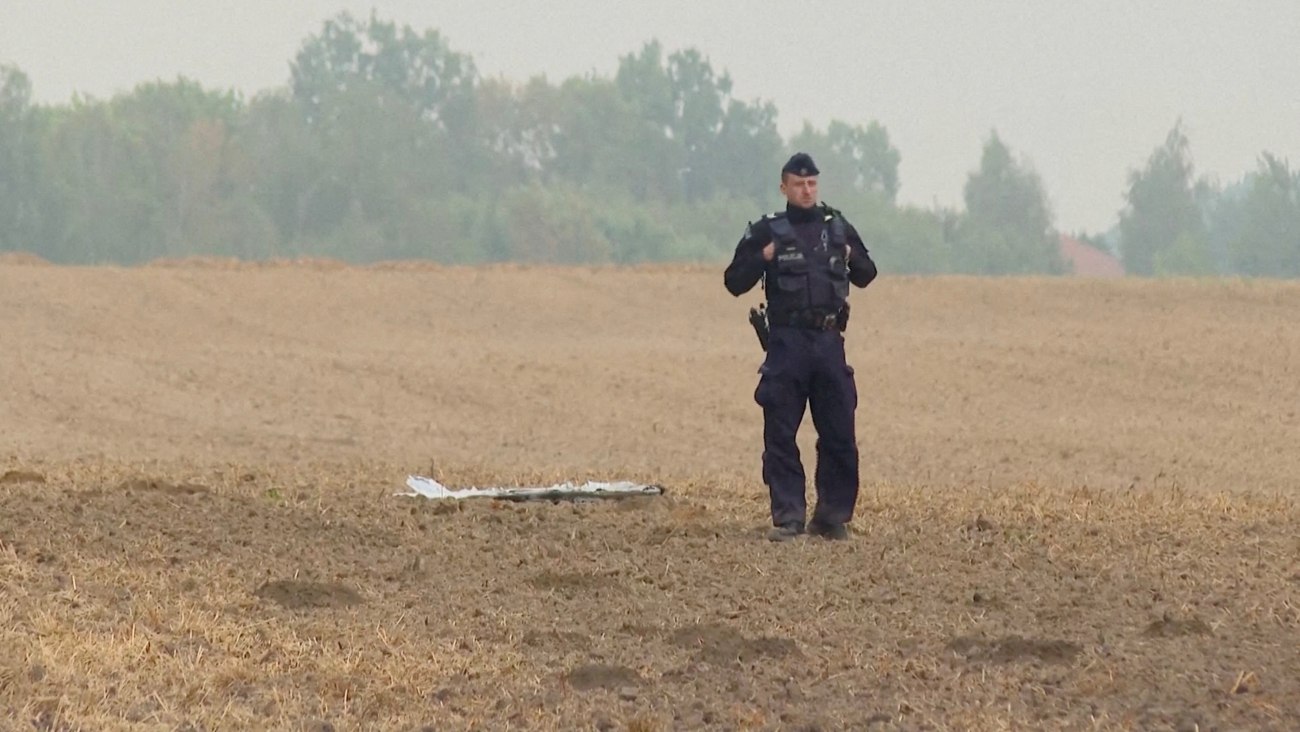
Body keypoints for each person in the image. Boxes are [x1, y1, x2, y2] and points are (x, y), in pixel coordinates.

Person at [724, 152, 878, 541]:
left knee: (839, 432)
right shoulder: (767, 231)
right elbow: (734, 281)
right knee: (780, 433)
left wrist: (850, 255)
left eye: (811, 184)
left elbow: (867, 274)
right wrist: (763, 257)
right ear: (784, 187)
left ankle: (831, 517)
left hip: (828, 341)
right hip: (787, 343)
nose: (806, 190)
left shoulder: (837, 228)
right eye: (798, 184)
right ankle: (789, 516)